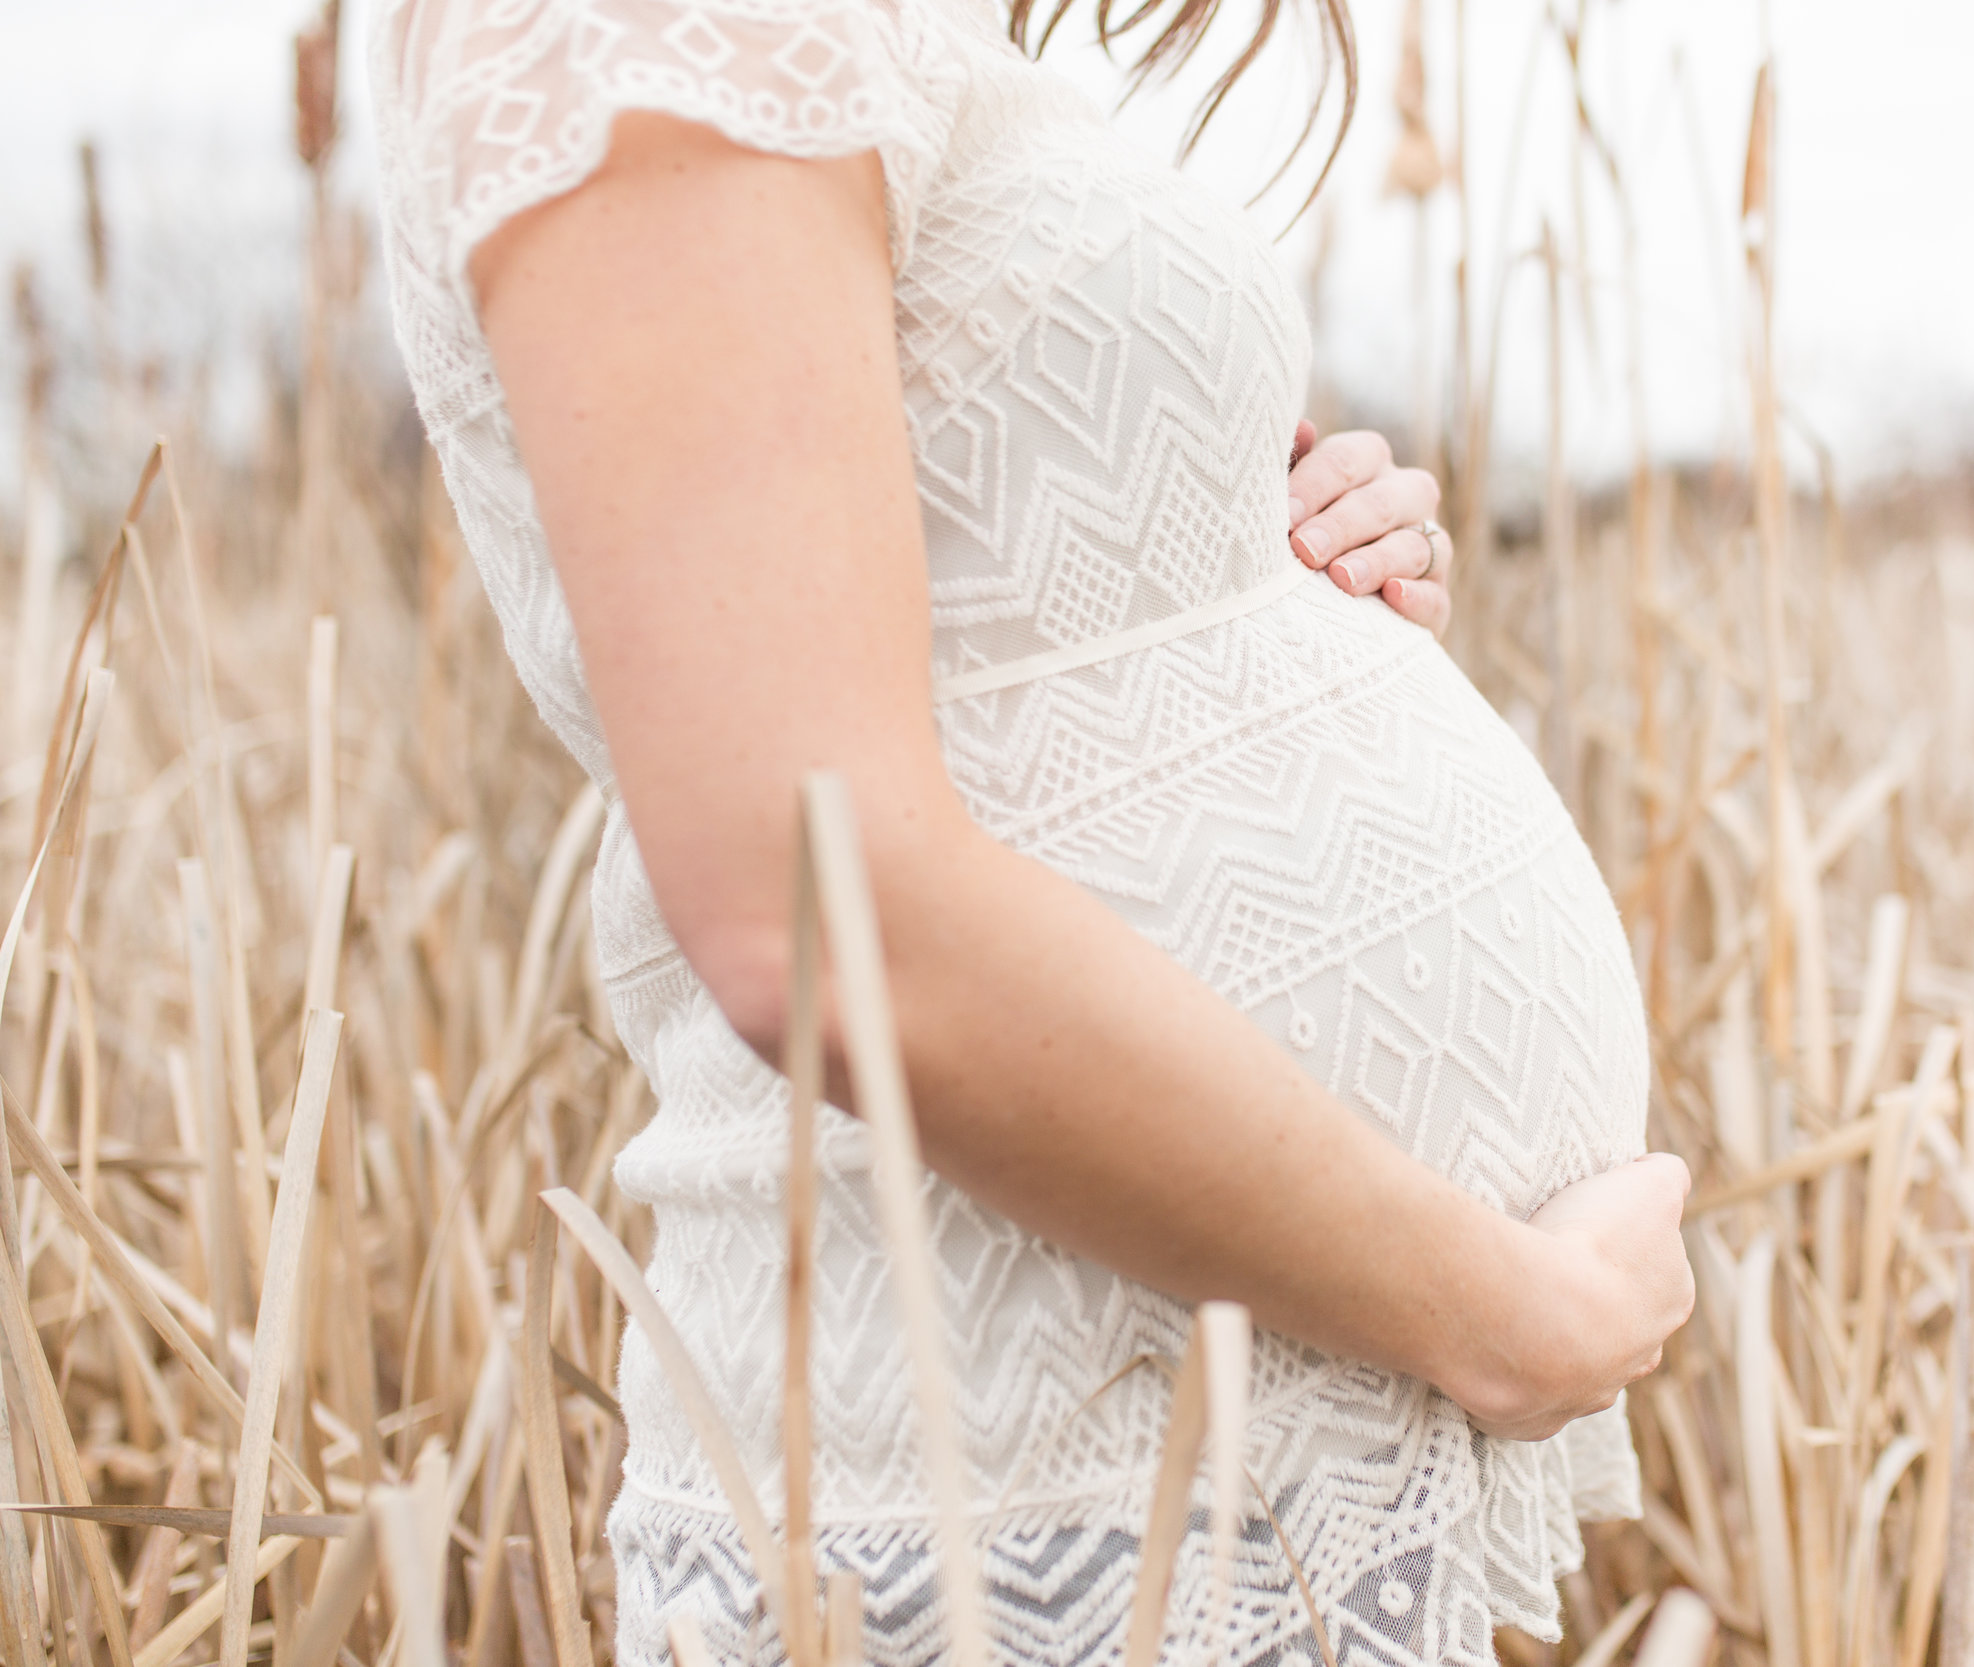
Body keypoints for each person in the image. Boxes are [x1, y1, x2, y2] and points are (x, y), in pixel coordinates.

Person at [370, 3, 1695, 1664]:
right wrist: (1512, 1314)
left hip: (1205, 1418)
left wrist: (1235, 561)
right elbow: (814, 908)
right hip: (1035, 1457)